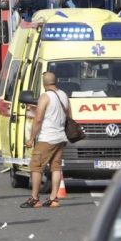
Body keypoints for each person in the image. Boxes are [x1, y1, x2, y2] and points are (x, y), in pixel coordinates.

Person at [23, 72, 70, 209]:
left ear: (44, 83)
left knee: (36, 167)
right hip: (60, 137)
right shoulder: (63, 95)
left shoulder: (45, 96)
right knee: (56, 167)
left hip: (47, 138)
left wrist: (31, 138)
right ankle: (53, 198)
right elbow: (69, 116)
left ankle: (34, 198)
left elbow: (38, 119)